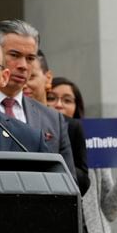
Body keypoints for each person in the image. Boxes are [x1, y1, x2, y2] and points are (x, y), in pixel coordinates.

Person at [0, 19, 77, 179]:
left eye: (30, 58)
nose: (23, 65)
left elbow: (69, 183)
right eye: (14, 55)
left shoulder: (53, 120)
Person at [48, 77, 117, 233]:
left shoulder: (93, 145)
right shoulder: (39, 140)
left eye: (67, 100)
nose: (59, 104)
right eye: (51, 98)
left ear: (77, 107)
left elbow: (110, 211)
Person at [23, 53, 90, 195]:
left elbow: (82, 181)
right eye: (53, 98)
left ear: (47, 78)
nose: (24, 83)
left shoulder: (67, 125)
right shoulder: (3, 115)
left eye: (31, 77)